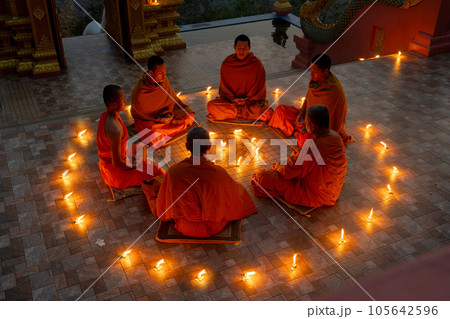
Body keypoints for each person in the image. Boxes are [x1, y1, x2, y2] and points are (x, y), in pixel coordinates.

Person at [146, 127, 257, 238]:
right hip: (215, 225)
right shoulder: (219, 173)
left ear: (187, 147)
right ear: (209, 146)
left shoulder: (173, 171)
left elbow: (163, 206)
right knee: (236, 187)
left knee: (160, 187)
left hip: (186, 227)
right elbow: (230, 200)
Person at [251, 105, 347, 207]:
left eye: (306, 124)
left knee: (261, 178)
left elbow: (289, 171)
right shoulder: (335, 135)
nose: (305, 126)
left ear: (313, 126)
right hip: (333, 190)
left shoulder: (313, 146)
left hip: (314, 194)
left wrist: (279, 165)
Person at [270, 54, 352, 145]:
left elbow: (328, 124)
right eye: (311, 71)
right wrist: (301, 114)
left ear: (325, 71)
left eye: (315, 72)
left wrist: (307, 128)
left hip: (319, 130)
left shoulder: (334, 92)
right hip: (307, 121)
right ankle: (298, 133)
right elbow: (307, 101)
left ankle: (297, 133)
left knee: (311, 142)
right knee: (280, 110)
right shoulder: (315, 82)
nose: (311, 74)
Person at [97, 85, 164, 189]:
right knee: (158, 171)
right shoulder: (114, 129)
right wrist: (135, 165)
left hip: (118, 157)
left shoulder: (106, 114)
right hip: (116, 172)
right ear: (114, 105)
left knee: (142, 146)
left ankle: (138, 163)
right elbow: (117, 163)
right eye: (123, 100)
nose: (125, 101)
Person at [131, 56, 195, 147]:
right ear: (151, 73)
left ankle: (172, 129)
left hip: (168, 117)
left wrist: (168, 114)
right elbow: (141, 115)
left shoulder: (164, 81)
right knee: (152, 134)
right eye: (161, 73)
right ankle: (178, 127)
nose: (164, 76)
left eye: (165, 72)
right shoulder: (140, 91)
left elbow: (172, 101)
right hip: (152, 122)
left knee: (190, 116)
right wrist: (160, 119)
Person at [207, 34, 273, 122]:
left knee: (268, 113)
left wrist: (246, 99)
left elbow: (259, 88)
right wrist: (232, 99)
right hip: (232, 103)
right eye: (239, 48)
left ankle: (235, 113)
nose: (241, 51)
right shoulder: (227, 63)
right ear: (234, 47)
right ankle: (243, 114)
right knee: (211, 106)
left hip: (250, 103)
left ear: (249, 48)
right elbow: (224, 88)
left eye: (245, 49)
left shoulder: (256, 64)